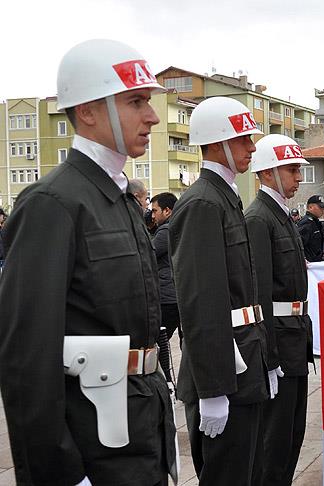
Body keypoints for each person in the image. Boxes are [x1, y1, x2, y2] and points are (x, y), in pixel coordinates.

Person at [0, 39, 177, 485]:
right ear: (88, 111)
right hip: (92, 450)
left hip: (137, 428)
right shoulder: (53, 203)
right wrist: (58, 471)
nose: (152, 116)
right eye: (136, 102)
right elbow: (27, 357)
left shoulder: (116, 197)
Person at [171, 96, 272, 486]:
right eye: (244, 138)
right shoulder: (201, 203)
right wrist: (213, 390)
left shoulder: (224, 197)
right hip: (223, 373)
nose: (251, 147)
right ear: (217, 144)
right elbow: (200, 301)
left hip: (243, 363)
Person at [244, 134, 314, 485]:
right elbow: (259, 296)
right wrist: (268, 357)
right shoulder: (259, 218)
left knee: (292, 436)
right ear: (269, 172)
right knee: (274, 443)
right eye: (292, 170)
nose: (298, 177)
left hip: (294, 340)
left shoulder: (281, 215)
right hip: (279, 345)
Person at [150, 192, 181, 389]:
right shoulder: (179, 227)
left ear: (167, 211)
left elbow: (148, 255)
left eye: (155, 211)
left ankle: (167, 382)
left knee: (159, 341)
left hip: (166, 297)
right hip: (177, 294)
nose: (152, 216)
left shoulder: (164, 232)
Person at [297, 195, 324, 262]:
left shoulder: (316, 222)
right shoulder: (306, 223)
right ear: (310, 207)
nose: (323, 210)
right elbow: (298, 245)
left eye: (323, 207)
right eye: (320, 207)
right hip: (309, 264)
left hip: (316, 262)